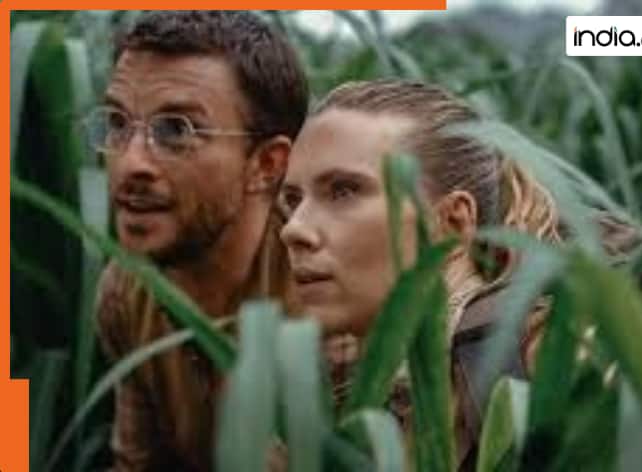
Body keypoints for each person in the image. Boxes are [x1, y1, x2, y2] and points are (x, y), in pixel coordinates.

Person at [278, 79, 564, 470]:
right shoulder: (340, 403)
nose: (293, 228)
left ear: (452, 223)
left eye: (343, 191)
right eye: (293, 200)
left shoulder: (541, 362)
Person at [93, 11, 307, 471]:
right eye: (117, 122)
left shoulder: (327, 300)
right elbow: (138, 464)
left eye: (176, 130)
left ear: (266, 165)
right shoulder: (127, 292)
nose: (130, 164)